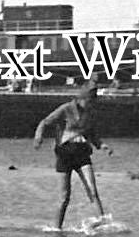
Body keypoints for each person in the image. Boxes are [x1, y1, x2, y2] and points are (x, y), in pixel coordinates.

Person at [34, 80, 112, 229]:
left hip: (82, 154)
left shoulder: (90, 113)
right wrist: (39, 137)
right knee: (64, 197)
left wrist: (102, 146)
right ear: (83, 98)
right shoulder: (66, 109)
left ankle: (103, 221)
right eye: (90, 101)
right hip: (65, 155)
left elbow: (92, 134)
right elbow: (44, 122)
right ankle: (57, 228)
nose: (92, 105)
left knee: (92, 189)